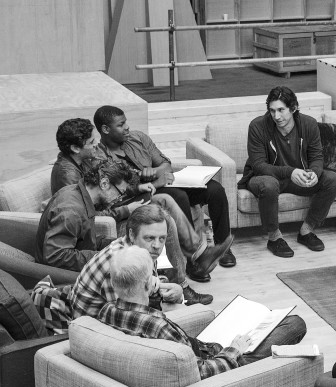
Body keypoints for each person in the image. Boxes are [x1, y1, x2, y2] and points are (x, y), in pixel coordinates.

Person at [52, 118, 226, 285]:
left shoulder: (84, 160)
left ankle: (197, 257)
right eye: (91, 142)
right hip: (109, 221)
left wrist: (136, 189)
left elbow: (107, 187)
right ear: (75, 148)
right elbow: (91, 213)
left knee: (165, 199)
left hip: (113, 213)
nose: (96, 145)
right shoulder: (68, 176)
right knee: (165, 219)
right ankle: (180, 281)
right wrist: (126, 210)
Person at [97, 244, 307, 379]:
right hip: (219, 365)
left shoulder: (105, 312)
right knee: (295, 324)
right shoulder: (157, 326)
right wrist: (233, 350)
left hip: (202, 348)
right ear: (147, 283)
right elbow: (200, 373)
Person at [93, 105, 236, 268]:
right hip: (143, 196)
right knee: (178, 196)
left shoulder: (138, 138)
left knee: (214, 189)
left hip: (163, 184)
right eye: (120, 125)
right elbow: (124, 193)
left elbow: (165, 165)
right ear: (105, 129)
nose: (127, 127)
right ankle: (193, 261)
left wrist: (153, 171)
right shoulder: (101, 159)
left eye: (125, 122)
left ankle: (223, 248)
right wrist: (155, 182)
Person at [239, 86, 336, 258]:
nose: (276, 116)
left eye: (281, 110)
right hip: (264, 178)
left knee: (332, 179)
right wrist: (291, 171)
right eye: (272, 111)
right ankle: (274, 238)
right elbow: (258, 165)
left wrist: (314, 173)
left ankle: (306, 231)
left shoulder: (308, 124)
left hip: (296, 178)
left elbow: (317, 157)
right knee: (269, 184)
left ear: (293, 108)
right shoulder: (257, 126)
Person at [71, 205, 217, 314]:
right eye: (149, 238)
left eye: (162, 238)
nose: (157, 246)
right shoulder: (121, 264)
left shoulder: (138, 250)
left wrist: (178, 293)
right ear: (132, 235)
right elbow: (128, 317)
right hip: (96, 331)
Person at [36, 158, 131, 271]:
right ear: (104, 183)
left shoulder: (78, 194)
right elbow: (56, 257)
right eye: (119, 194)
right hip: (60, 277)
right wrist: (104, 257)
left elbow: (83, 242)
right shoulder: (71, 211)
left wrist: (119, 243)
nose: (118, 200)